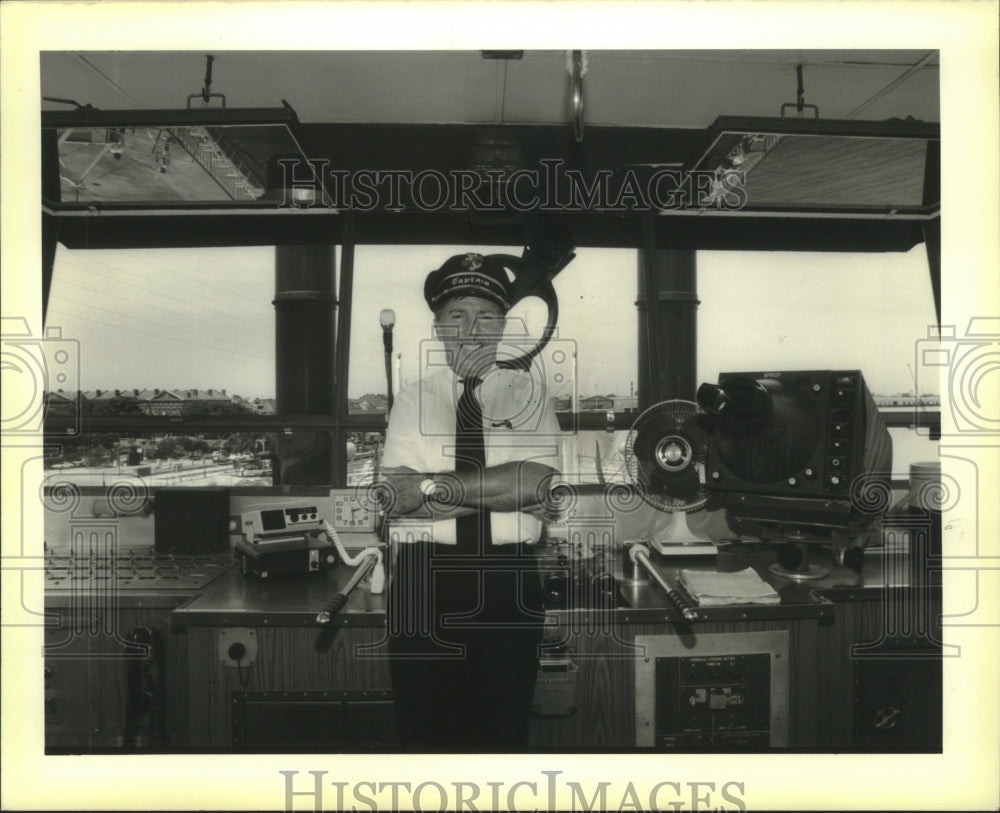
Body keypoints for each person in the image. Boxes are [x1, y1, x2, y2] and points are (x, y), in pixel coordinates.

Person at [380, 251, 562, 751]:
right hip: (422, 583)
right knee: (424, 738)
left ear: (502, 326)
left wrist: (433, 488)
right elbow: (395, 497)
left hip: (509, 584)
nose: (471, 328)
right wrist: (502, 490)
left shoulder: (530, 396)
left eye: (485, 315)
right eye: (456, 315)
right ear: (438, 328)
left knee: (502, 739)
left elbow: (538, 483)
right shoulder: (413, 400)